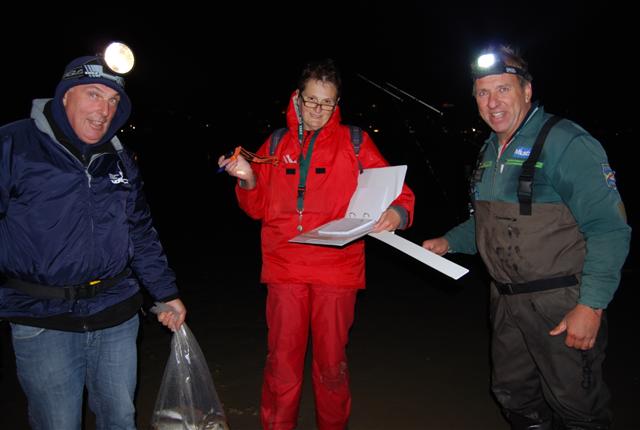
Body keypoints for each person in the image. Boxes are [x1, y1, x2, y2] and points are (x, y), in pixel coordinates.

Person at [422, 45, 630, 430]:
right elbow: (486, 224)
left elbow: (609, 228)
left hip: (561, 303)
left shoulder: (565, 141)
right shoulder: (489, 151)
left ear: (527, 90)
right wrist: (448, 242)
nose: (493, 102)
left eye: (503, 89)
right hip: (505, 301)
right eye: (483, 93)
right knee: (514, 395)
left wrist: (591, 306)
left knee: (577, 407)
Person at [219, 58, 415, 430]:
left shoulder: (355, 142)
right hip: (285, 269)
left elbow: (399, 192)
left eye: (327, 102)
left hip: (338, 271)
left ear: (337, 103)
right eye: (311, 100)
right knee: (282, 363)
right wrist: (247, 179)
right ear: (297, 98)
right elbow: (256, 207)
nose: (318, 110)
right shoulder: (276, 142)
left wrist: (396, 213)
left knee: (331, 366)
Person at [0, 48, 187, 430]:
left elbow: (139, 230)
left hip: (116, 312)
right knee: (58, 423)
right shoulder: (14, 144)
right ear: (65, 95)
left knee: (120, 418)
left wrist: (165, 292)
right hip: (43, 318)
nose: (104, 110)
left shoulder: (119, 158)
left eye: (114, 100)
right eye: (94, 94)